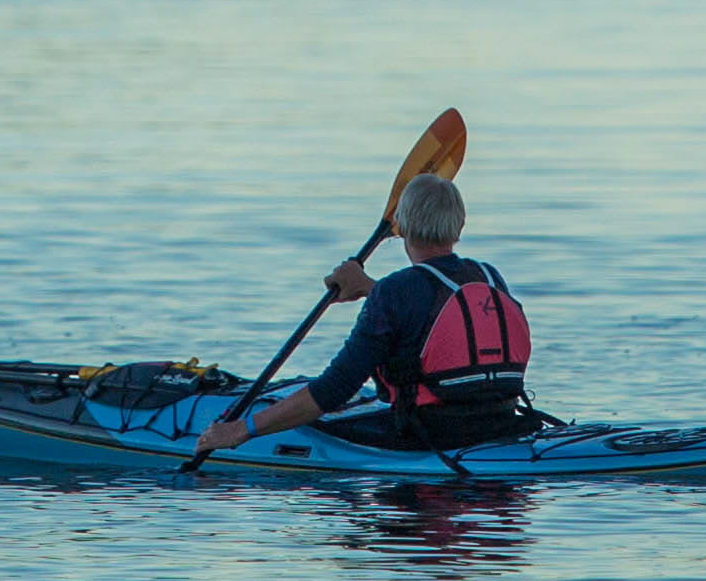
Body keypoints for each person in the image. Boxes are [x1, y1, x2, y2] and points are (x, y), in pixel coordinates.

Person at [192, 173, 534, 456]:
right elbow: (435, 308)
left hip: (430, 436)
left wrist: (242, 430)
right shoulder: (488, 276)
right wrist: (369, 288)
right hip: (500, 419)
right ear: (459, 225)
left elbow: (333, 390)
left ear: (401, 226)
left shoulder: (394, 293)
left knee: (320, 422)